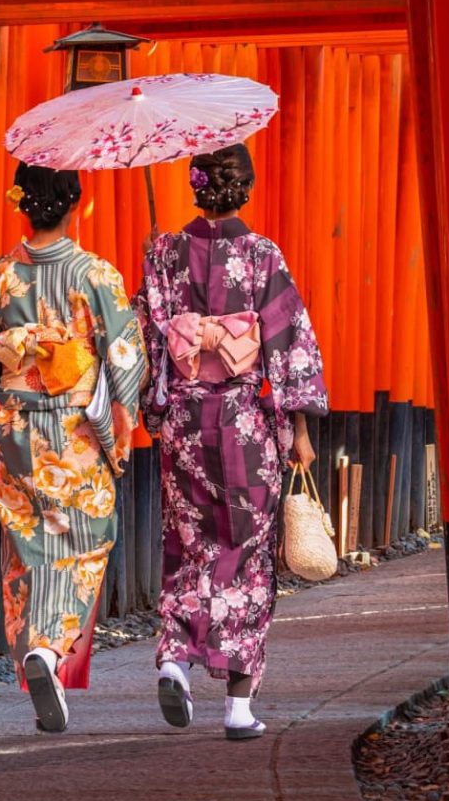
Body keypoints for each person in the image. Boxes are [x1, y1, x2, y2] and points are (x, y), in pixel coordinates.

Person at [139, 142, 326, 741]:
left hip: (188, 424)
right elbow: (291, 344)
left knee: (191, 539)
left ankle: (175, 656)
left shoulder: (164, 253)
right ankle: (239, 706)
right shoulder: (261, 254)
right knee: (245, 554)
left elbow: (148, 339)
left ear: (196, 187)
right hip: (245, 421)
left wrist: (157, 408)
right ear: (243, 188)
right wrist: (298, 428)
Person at [0, 162, 146, 734]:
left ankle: (38, 658)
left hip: (14, 430)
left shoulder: (2, 275)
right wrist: (123, 420)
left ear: (23, 204)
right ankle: (50, 649)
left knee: (27, 540)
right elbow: (126, 358)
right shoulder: (96, 276)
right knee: (86, 540)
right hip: (75, 434)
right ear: (76, 203)